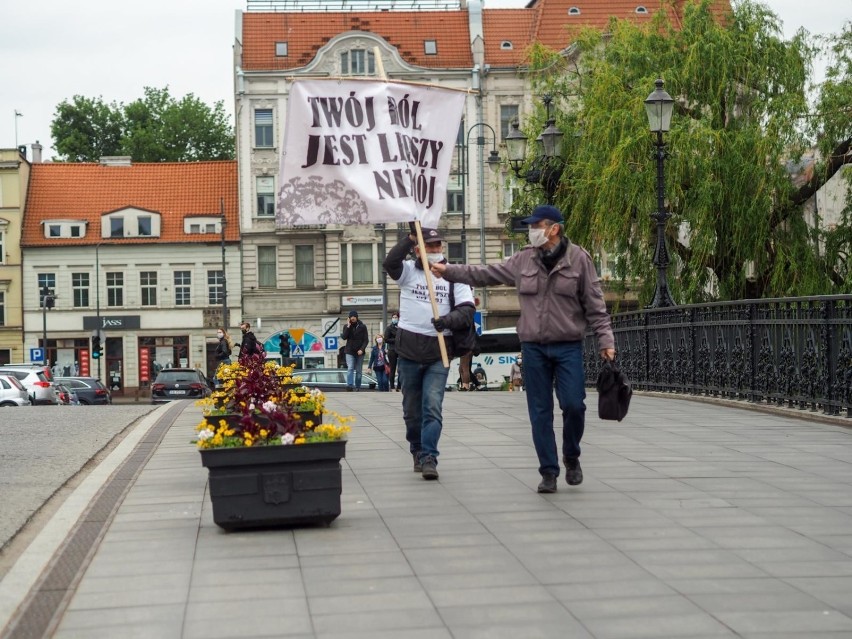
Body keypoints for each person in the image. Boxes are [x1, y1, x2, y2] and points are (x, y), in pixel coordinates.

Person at [431, 204, 615, 493]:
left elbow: (596, 306)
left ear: (553, 229)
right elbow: (486, 273)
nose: (531, 232)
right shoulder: (523, 260)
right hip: (533, 347)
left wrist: (607, 340)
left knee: (574, 405)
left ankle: (571, 455)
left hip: (567, 346)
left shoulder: (579, 259)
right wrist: (449, 271)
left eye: (536, 226)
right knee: (539, 412)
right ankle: (549, 472)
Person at [383, 226, 475, 480]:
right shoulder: (408, 272)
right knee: (412, 410)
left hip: (439, 350)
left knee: (432, 406)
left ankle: (429, 456)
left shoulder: (453, 274)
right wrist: (409, 238)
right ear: (418, 250)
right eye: (428, 246)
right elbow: (389, 262)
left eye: (437, 246)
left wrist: (447, 320)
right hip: (410, 349)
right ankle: (416, 447)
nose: (434, 250)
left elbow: (467, 310)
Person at [341, 310, 369, 391]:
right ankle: (350, 385)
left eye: (354, 317)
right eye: (351, 317)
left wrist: (362, 349)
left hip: (360, 352)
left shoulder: (362, 326)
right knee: (350, 368)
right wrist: (348, 327)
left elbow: (366, 340)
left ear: (356, 317)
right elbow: (344, 337)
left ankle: (357, 387)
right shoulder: (346, 326)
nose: (352, 318)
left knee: (359, 371)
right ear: (349, 318)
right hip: (349, 351)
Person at [383, 312, 400, 391]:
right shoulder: (389, 328)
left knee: (401, 369)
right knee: (392, 368)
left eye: (396, 317)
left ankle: (399, 386)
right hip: (392, 350)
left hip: (401, 350)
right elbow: (386, 339)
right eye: (393, 317)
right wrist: (396, 340)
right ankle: (392, 386)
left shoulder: (401, 327)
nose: (394, 318)